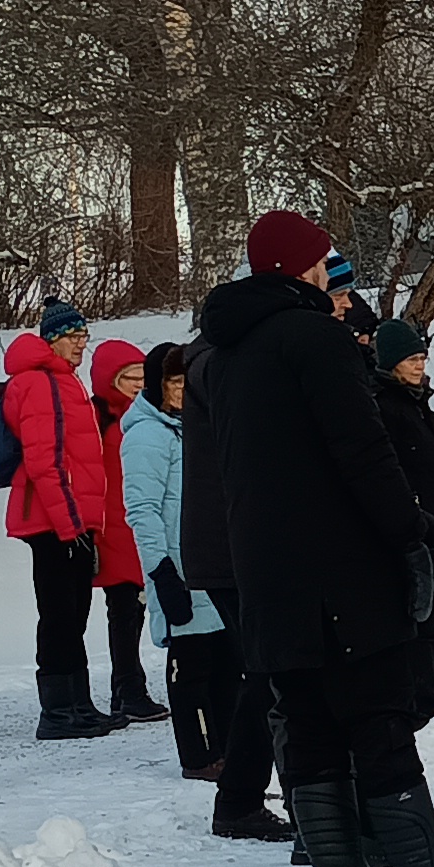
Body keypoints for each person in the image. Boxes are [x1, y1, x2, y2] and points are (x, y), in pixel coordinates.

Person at [207, 209, 434, 867]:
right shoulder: (314, 338)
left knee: (308, 718)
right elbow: (361, 448)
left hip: (268, 571)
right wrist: (413, 528)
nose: (330, 272)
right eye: (323, 260)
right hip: (338, 567)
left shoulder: (222, 353)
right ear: (301, 268)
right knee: (377, 714)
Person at [121, 338, 280, 837]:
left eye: (185, 383)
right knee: (190, 669)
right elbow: (142, 510)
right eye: (171, 383)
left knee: (229, 664)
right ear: (156, 386)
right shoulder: (147, 436)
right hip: (178, 567)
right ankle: (199, 754)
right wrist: (161, 571)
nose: (180, 392)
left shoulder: (195, 427)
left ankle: (230, 752)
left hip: (212, 564)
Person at [177, 292, 289, 842]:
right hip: (230, 547)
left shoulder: (207, 362)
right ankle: (245, 799)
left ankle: (244, 797)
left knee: (266, 674)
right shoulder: (213, 367)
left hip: (227, 544)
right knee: (271, 673)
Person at [1, 300, 117, 739]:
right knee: (59, 615)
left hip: (70, 518)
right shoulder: (39, 383)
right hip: (52, 521)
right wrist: (71, 527)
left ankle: (79, 704)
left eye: (85, 337)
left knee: (74, 612)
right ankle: (57, 712)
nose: (81, 345)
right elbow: (45, 461)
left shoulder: (64, 382)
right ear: (53, 339)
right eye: (74, 337)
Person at [370, 314, 434, 727]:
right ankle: (417, 705)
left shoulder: (428, 412)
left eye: (422, 356)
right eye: (410, 358)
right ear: (391, 362)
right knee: (417, 620)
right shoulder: (383, 410)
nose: (419, 364)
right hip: (411, 534)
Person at [85, 335, 169, 726]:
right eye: (127, 377)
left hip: (136, 528)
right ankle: (128, 688)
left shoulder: (141, 417)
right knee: (124, 612)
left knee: (134, 612)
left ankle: (129, 688)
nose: (137, 384)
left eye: (140, 375)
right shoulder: (102, 421)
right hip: (114, 531)